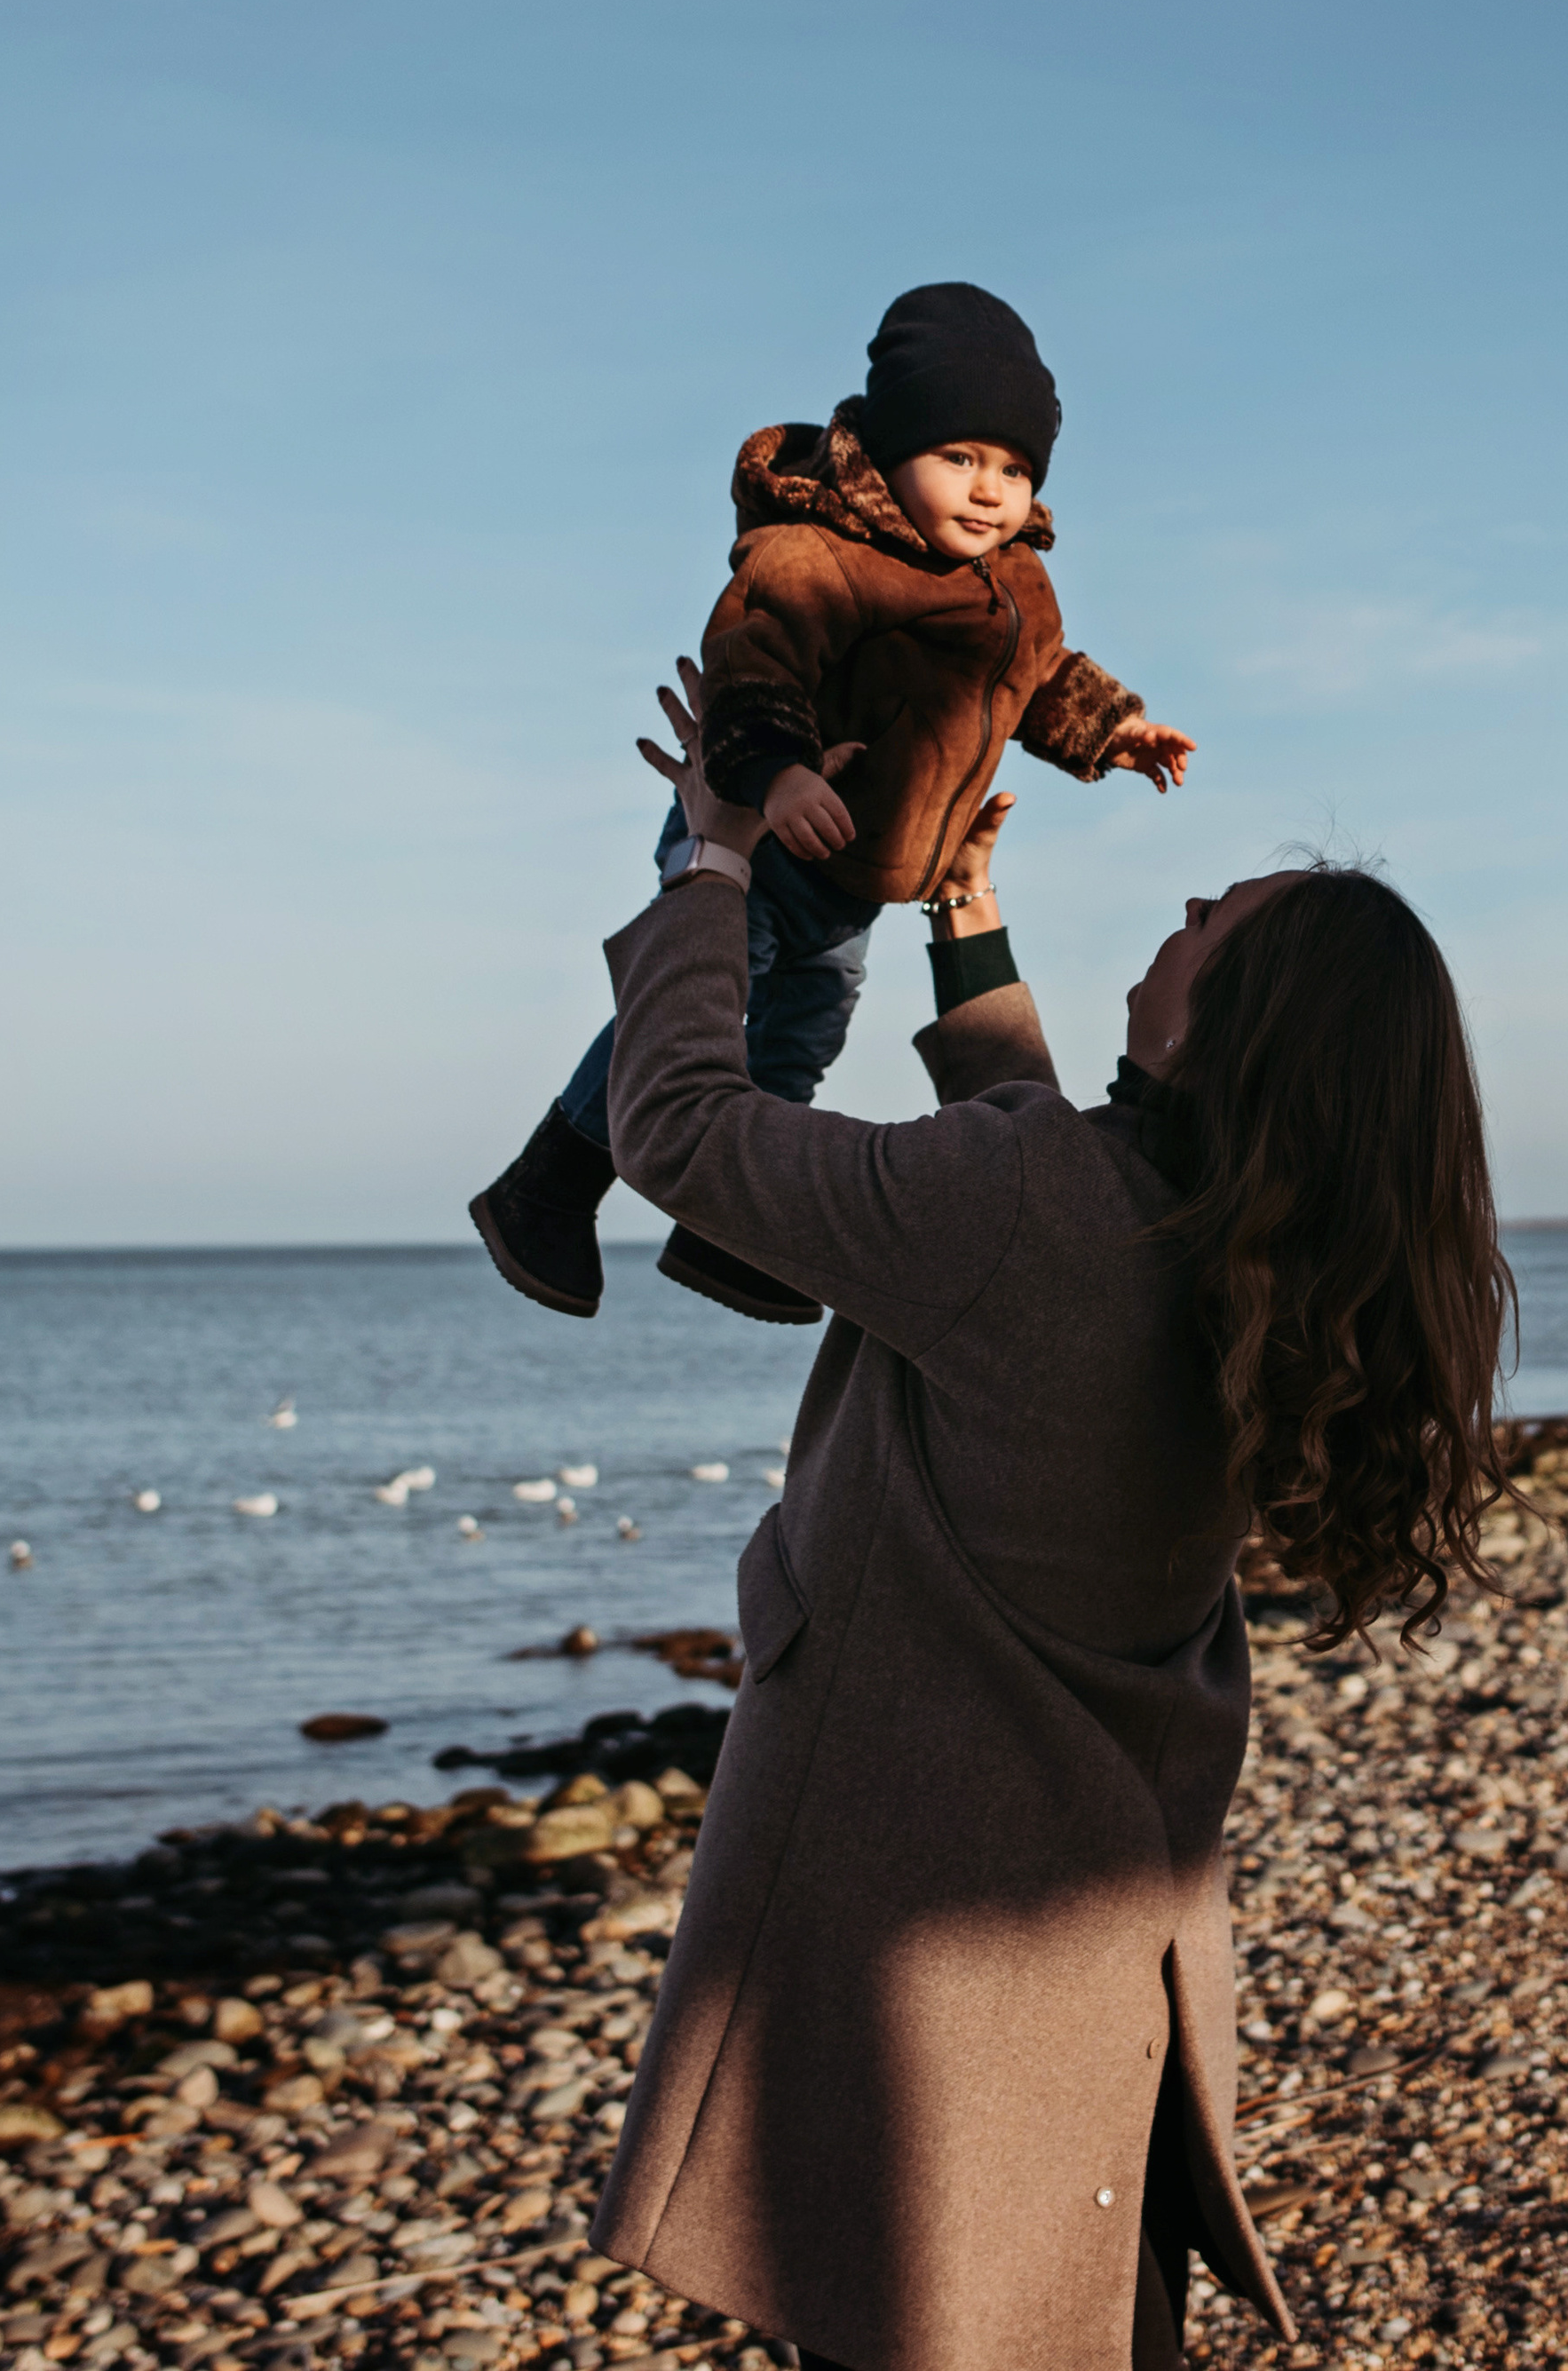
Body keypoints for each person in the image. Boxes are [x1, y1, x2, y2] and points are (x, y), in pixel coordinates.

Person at [584, 665, 1516, 2371]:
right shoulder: (1256, 1268)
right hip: (1087, 1928)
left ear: (1228, 1023)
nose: (1180, 906)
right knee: (1050, 2303)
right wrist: (969, 919)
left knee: (896, 2296)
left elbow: (681, 1131)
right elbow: (1042, 1185)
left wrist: (710, 865)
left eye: (1213, 918)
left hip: (901, 1916)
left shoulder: (1039, 1214)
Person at [470, 282, 1194, 1327]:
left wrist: (1112, 731)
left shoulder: (1019, 583)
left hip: (856, 871)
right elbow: (752, 661)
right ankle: (548, 1186)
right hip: (760, 827)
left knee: (806, 1028)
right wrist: (779, 772)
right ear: (892, 450)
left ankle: (732, 1232)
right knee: (701, 997)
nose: (990, 491)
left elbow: (1037, 676)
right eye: (959, 458)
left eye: (1014, 468)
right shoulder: (819, 553)